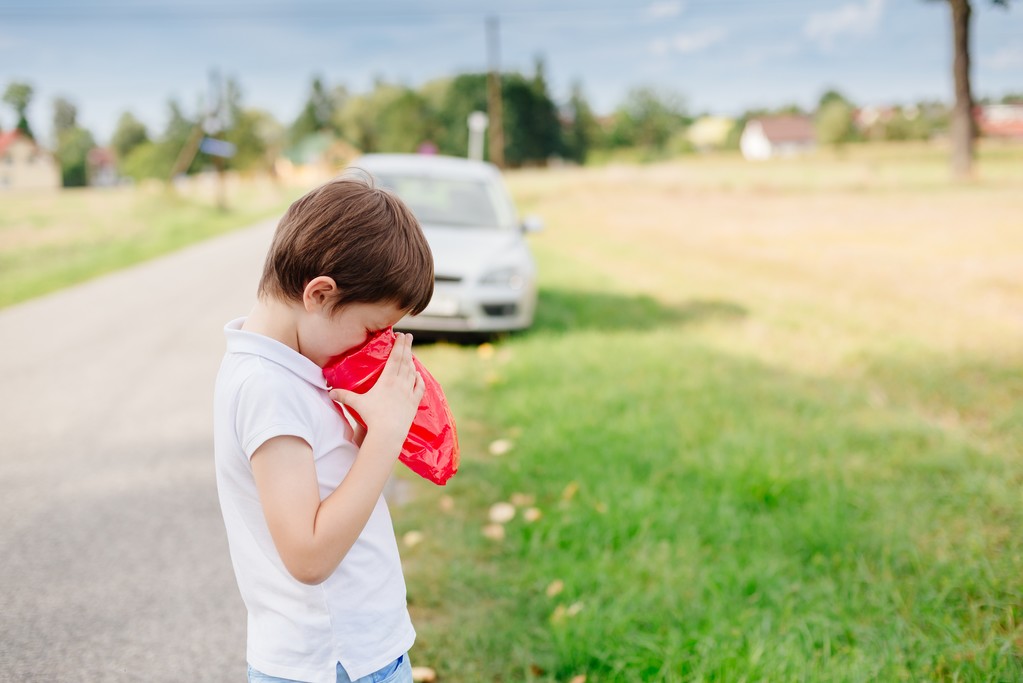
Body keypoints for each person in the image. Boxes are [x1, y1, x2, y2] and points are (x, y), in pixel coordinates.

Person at [213, 174, 435, 683]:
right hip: (332, 664)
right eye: (371, 329)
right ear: (319, 294)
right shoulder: (269, 388)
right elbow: (308, 554)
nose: (373, 345)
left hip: (350, 655)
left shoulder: (291, 368)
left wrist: (358, 438)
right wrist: (385, 434)